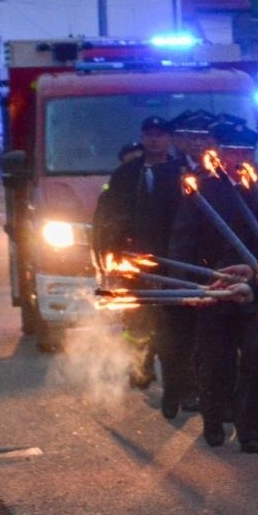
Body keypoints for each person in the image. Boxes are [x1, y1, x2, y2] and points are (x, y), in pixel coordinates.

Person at [169, 116, 258, 450]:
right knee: (215, 363)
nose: (239, 160)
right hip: (215, 290)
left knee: (255, 358)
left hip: (256, 292)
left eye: (246, 153)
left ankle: (250, 432)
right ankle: (214, 420)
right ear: (219, 153)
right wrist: (193, 285)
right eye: (233, 152)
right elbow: (183, 242)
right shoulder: (201, 190)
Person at [94, 115, 186, 402]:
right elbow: (110, 215)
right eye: (149, 134)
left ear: (168, 139)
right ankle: (139, 366)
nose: (155, 139)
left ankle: (177, 381)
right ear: (143, 137)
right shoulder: (126, 173)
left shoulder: (180, 172)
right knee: (136, 316)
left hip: (172, 258)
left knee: (172, 319)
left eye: (160, 134)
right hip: (133, 257)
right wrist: (111, 253)